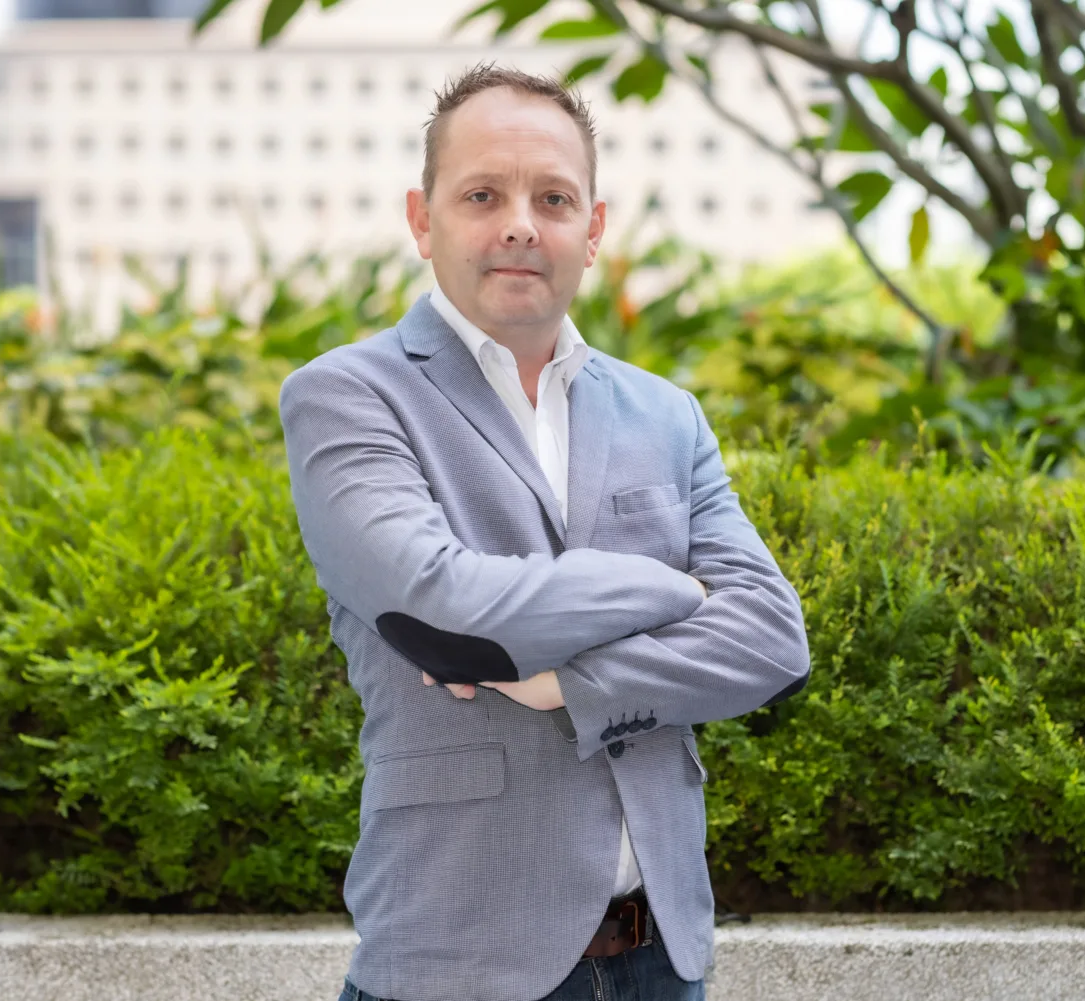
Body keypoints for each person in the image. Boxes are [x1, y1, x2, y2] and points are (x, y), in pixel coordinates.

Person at [277, 62, 810, 1001]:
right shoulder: (347, 396)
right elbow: (445, 612)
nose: (520, 222)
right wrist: (676, 593)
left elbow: (771, 635)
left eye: (554, 197)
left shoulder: (666, 415)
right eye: (482, 193)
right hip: (456, 966)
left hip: (661, 962)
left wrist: (568, 679)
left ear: (593, 229)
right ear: (421, 217)